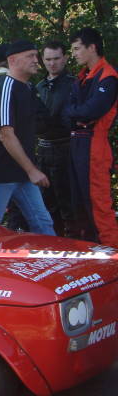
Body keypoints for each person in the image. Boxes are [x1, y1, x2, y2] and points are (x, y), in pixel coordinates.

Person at [0, 40, 55, 235]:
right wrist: (32, 170)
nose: (36, 60)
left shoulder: (27, 88)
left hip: (23, 173)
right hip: (3, 174)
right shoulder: (6, 87)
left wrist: (29, 170)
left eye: (36, 55)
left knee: (43, 222)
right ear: (12, 60)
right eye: (30, 56)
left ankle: (52, 255)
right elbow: (6, 134)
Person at [63, 27, 118, 246]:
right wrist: (78, 114)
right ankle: (88, 250)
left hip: (95, 144)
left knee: (98, 204)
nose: (74, 54)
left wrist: (78, 113)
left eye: (77, 49)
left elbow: (92, 111)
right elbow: (68, 112)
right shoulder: (82, 77)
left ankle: (112, 253)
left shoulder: (108, 77)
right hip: (77, 142)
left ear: (92, 48)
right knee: (78, 202)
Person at [36, 41, 76, 236]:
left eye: (56, 59)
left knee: (68, 202)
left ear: (65, 58)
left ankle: (75, 244)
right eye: (48, 59)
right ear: (43, 60)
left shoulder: (74, 84)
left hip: (65, 148)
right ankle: (55, 242)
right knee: (47, 203)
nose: (52, 63)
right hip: (43, 149)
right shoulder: (38, 87)